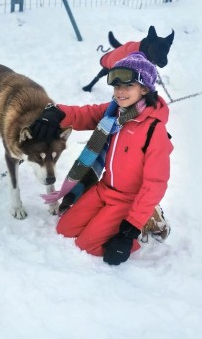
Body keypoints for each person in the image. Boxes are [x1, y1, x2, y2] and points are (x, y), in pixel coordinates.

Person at [30, 52, 173, 266]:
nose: (121, 92)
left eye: (128, 86)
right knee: (65, 229)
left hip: (128, 199)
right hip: (104, 189)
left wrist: (127, 234)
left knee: (88, 244)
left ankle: (147, 220)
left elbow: (156, 183)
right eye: (116, 87)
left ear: (144, 89)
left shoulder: (154, 129)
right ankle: (123, 219)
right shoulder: (114, 113)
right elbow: (83, 114)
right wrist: (56, 114)